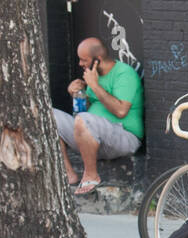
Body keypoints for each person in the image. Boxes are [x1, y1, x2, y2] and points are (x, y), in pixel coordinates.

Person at [53, 38, 143, 196]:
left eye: (83, 60)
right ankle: (68, 173)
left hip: (124, 137)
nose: (80, 64)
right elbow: (89, 112)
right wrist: (77, 94)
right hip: (94, 137)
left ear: (98, 60)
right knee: (48, 116)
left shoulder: (124, 74)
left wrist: (94, 85)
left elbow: (121, 110)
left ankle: (91, 175)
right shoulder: (94, 75)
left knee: (83, 119)